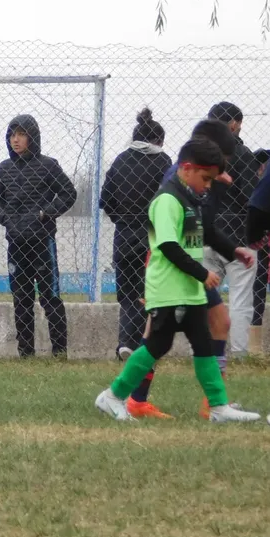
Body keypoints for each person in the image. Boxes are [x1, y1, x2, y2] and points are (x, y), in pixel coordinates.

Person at [95, 137, 260, 424]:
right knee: (156, 346)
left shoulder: (190, 199)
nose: (208, 185)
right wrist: (202, 273)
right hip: (169, 291)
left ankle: (218, 407)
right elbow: (169, 247)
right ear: (186, 168)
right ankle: (113, 395)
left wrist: (233, 252)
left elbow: (204, 234)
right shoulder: (167, 201)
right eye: (205, 178)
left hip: (190, 291)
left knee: (204, 345)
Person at [0, 115, 77, 358]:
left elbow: (69, 193)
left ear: (32, 137)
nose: (15, 139)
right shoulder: (5, 168)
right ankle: (25, 353)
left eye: (20, 134)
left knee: (50, 297)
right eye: (11, 135)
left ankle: (59, 352)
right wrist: (6, 219)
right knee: (21, 299)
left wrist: (45, 213)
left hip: (42, 242)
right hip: (16, 244)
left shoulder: (48, 165)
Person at [99, 108, 172, 359]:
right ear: (159, 140)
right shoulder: (163, 162)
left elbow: (105, 199)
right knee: (147, 293)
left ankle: (124, 343)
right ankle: (141, 344)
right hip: (151, 237)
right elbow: (169, 200)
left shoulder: (121, 160)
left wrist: (120, 219)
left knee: (127, 294)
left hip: (124, 236)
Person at [205, 101, 259, 356]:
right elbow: (250, 196)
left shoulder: (198, 153)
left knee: (204, 296)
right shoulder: (242, 154)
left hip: (205, 232)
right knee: (240, 298)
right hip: (238, 233)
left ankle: (204, 348)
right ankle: (238, 351)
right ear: (234, 124)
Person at [249, 148, 270, 355]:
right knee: (257, 288)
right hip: (259, 244)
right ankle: (254, 345)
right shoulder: (255, 185)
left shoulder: (266, 184)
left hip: (266, 244)